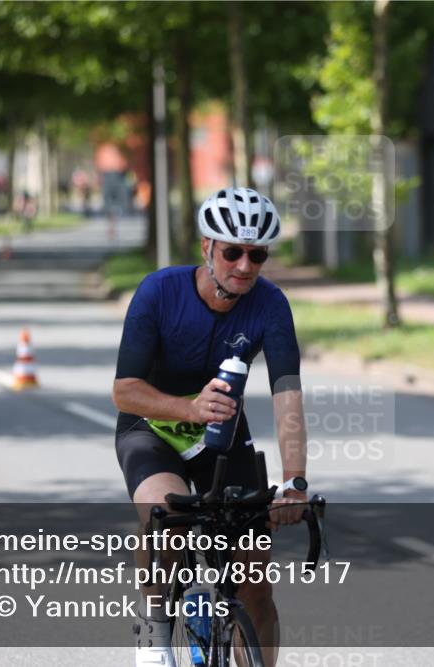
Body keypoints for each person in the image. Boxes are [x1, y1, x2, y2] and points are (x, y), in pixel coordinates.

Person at [114, 187, 309, 666]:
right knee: (166, 521)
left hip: (222, 439)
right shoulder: (159, 291)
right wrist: (190, 410)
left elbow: (288, 396)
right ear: (207, 246)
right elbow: (125, 390)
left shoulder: (270, 305)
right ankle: (156, 633)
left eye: (257, 255)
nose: (244, 266)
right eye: (232, 252)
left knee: (256, 585)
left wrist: (295, 482)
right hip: (152, 429)